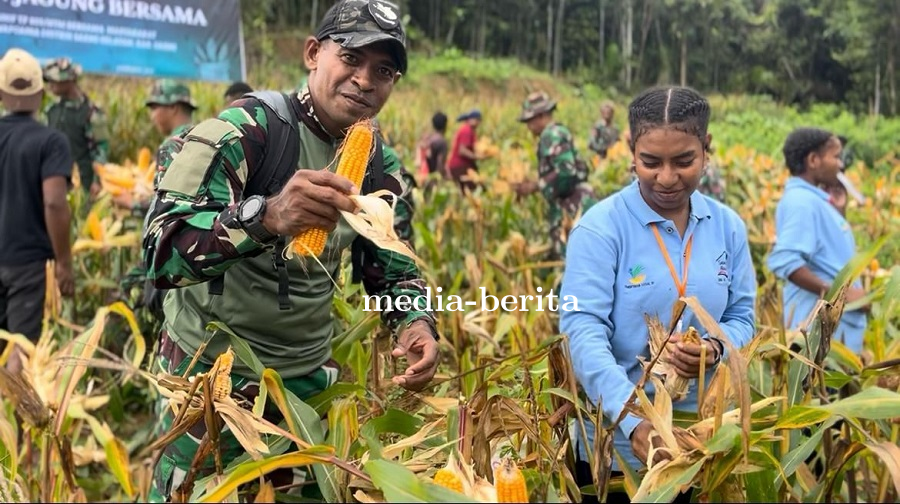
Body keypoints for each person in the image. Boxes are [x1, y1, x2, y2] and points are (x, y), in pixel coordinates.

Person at [141, 1, 439, 501]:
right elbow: (160, 251)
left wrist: (414, 323)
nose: (365, 80)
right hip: (212, 383)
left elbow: (391, 268)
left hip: (307, 386)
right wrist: (268, 216)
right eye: (351, 58)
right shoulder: (248, 130)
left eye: (383, 70)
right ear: (312, 54)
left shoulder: (378, 166)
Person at [559, 86, 756, 503]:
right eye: (651, 162)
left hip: (701, 444)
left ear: (706, 149)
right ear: (632, 152)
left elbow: (743, 316)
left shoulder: (728, 227)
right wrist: (636, 421)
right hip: (615, 453)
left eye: (684, 161)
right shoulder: (600, 228)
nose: (666, 177)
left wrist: (716, 348)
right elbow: (581, 333)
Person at [0, 48, 75, 373]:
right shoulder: (51, 141)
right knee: (23, 347)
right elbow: (55, 202)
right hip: (28, 265)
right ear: (42, 94)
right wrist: (65, 263)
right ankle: (11, 420)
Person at [766, 128, 869, 354]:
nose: (841, 165)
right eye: (835, 156)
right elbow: (785, 261)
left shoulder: (814, 200)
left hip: (834, 337)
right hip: (817, 337)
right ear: (813, 160)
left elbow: (827, 254)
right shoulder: (801, 202)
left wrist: (839, 212)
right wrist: (840, 294)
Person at [513, 91, 598, 264]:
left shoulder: (550, 135)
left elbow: (566, 172)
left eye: (530, 121)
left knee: (573, 264)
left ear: (542, 116)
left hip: (572, 208)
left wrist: (536, 186)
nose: (528, 126)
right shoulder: (557, 132)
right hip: (577, 204)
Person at [112, 79, 197, 213]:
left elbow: (166, 201)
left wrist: (132, 203)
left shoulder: (173, 145)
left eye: (154, 108)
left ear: (173, 108)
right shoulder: (203, 137)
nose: (152, 117)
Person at [42, 57, 109, 199]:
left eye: (55, 81)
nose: (50, 85)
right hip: (55, 182)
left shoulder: (91, 113)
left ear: (70, 81)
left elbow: (101, 149)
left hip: (84, 185)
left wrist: (97, 182)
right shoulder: (51, 111)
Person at [446, 108, 483, 192]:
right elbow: (462, 150)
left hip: (464, 165)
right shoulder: (467, 130)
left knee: (467, 190)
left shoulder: (469, 130)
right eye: (477, 120)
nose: (478, 123)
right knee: (473, 189)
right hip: (460, 165)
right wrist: (476, 157)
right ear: (471, 119)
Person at [416, 111, 448, 189]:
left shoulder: (428, 139)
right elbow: (440, 164)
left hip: (422, 177)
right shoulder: (441, 142)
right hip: (433, 180)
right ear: (445, 125)